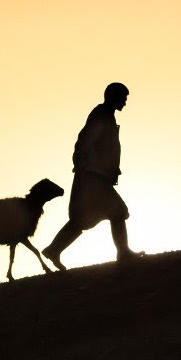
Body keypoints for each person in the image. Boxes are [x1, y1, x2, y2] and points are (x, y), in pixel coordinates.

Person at [43, 82, 142, 269]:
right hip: (93, 177)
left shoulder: (107, 116)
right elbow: (84, 142)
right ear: (114, 96)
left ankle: (54, 249)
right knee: (117, 211)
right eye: (124, 98)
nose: (125, 102)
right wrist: (87, 168)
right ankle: (123, 252)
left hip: (96, 176)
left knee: (83, 219)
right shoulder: (102, 115)